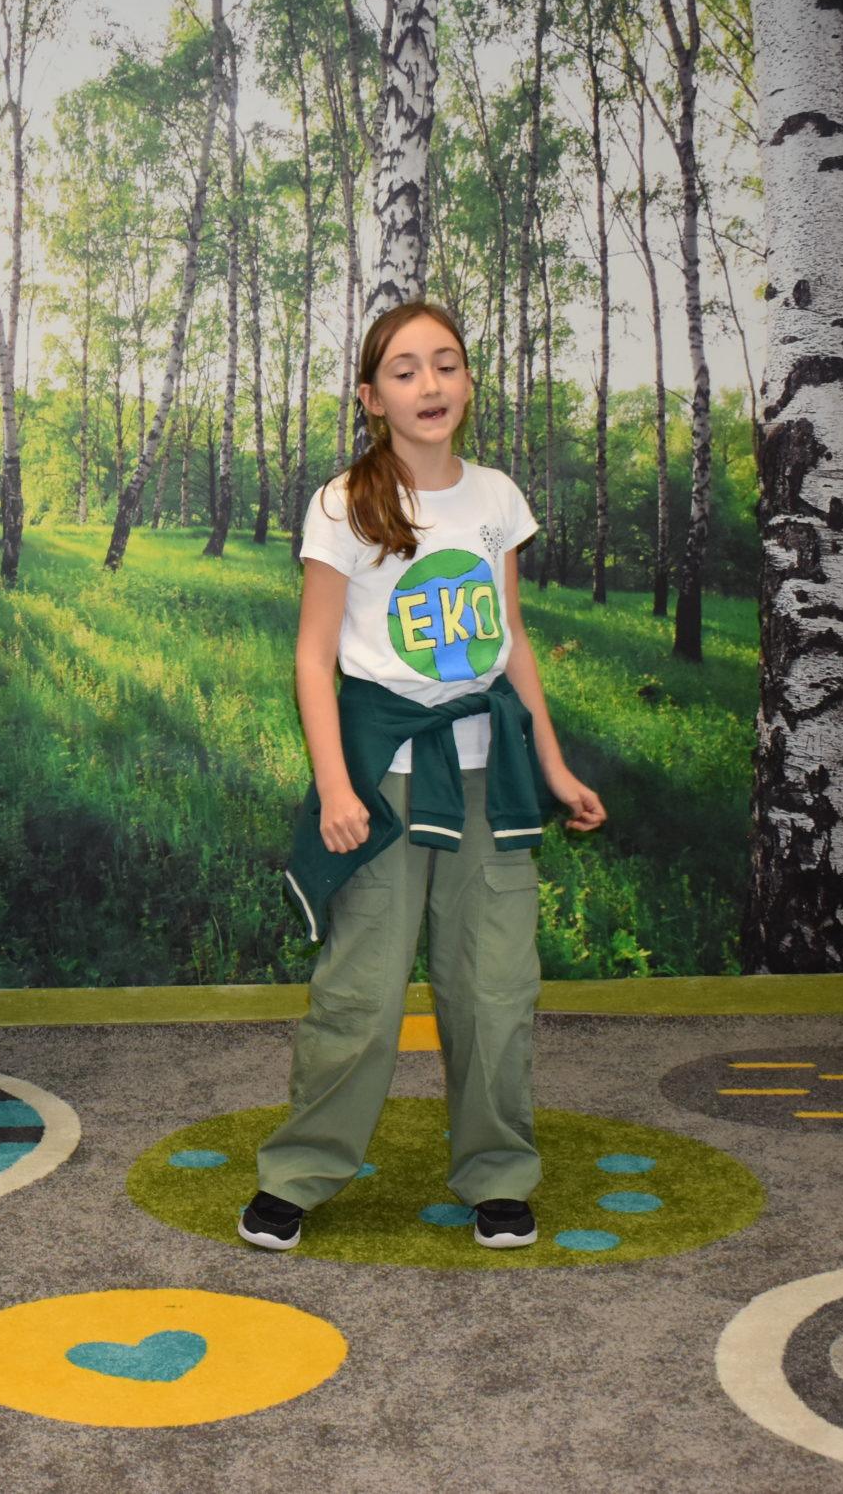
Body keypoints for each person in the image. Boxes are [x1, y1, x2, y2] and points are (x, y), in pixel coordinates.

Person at [240, 299, 605, 1253]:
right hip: (387, 780)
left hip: (494, 777)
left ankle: (499, 1174)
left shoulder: (496, 499)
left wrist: (556, 765)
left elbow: (511, 639)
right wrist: (335, 787)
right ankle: (301, 1170)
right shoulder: (344, 504)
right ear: (372, 397)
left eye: (446, 364)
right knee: (360, 992)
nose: (429, 384)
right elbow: (314, 656)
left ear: (468, 382)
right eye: (404, 370)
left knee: (494, 988)